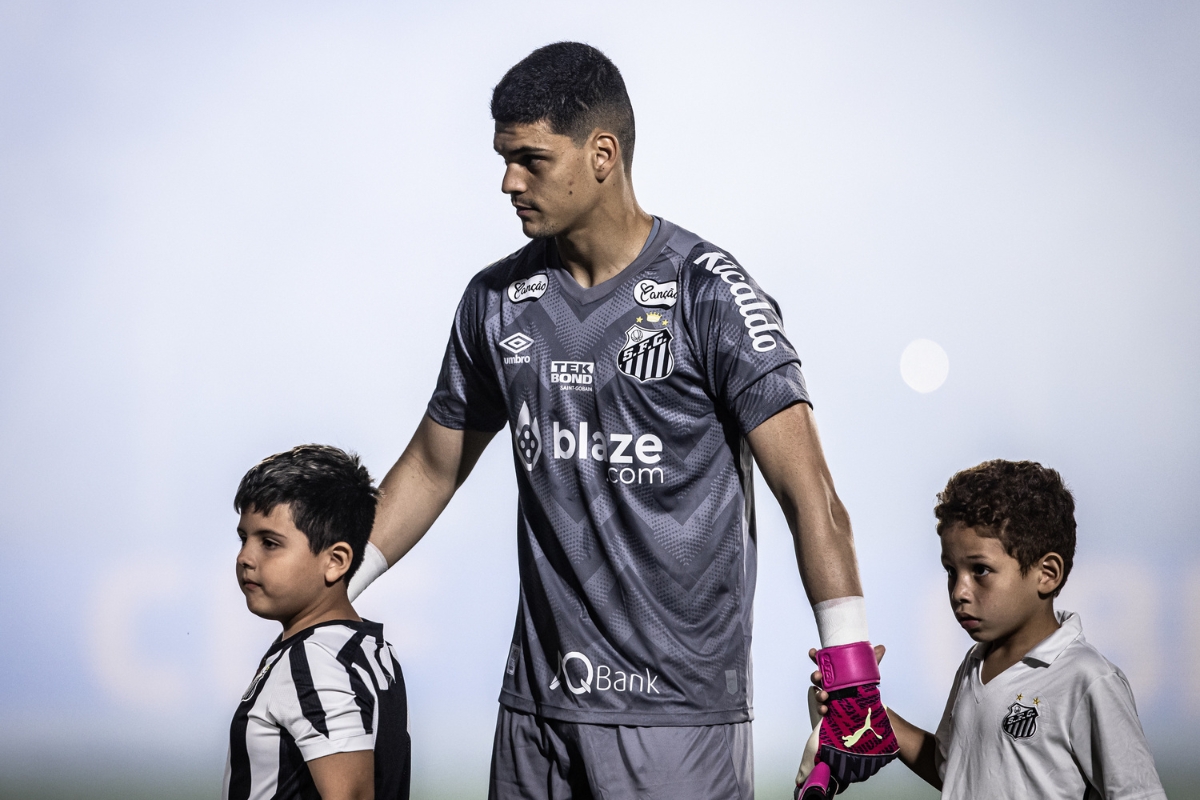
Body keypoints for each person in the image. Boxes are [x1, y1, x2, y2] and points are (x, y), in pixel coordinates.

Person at [347, 42, 894, 799]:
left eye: (532, 160)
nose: (509, 181)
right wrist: (336, 586)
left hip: (674, 720)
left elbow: (814, 498)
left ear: (602, 154)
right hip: (534, 717)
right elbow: (434, 468)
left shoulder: (710, 294)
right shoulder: (496, 300)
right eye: (504, 159)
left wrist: (853, 679)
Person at [808, 459, 1166, 799]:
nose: (959, 591)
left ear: (1047, 574)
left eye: (979, 570)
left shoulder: (1087, 680)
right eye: (952, 572)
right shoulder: (975, 665)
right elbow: (952, 769)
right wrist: (874, 714)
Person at [224, 445, 411, 800]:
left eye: (269, 542)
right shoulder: (369, 649)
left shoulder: (315, 661)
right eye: (243, 538)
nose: (245, 557)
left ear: (336, 561)